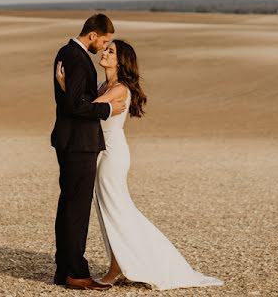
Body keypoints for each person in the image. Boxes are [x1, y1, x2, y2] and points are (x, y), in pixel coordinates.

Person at [57, 39, 223, 290]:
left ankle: (120, 267)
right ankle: (119, 264)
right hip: (102, 151)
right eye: (106, 48)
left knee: (117, 207)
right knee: (107, 208)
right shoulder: (104, 85)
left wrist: (64, 85)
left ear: (121, 62)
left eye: (111, 51)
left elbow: (83, 110)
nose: (105, 52)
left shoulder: (119, 89)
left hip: (113, 153)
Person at [51, 14, 127, 290]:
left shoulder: (66, 52)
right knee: (76, 209)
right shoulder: (78, 58)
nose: (104, 47)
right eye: (104, 41)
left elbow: (72, 99)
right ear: (93, 35)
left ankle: (64, 270)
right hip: (79, 143)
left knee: (70, 205)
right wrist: (106, 109)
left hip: (71, 141)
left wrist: (65, 90)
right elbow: (76, 105)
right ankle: (74, 272)